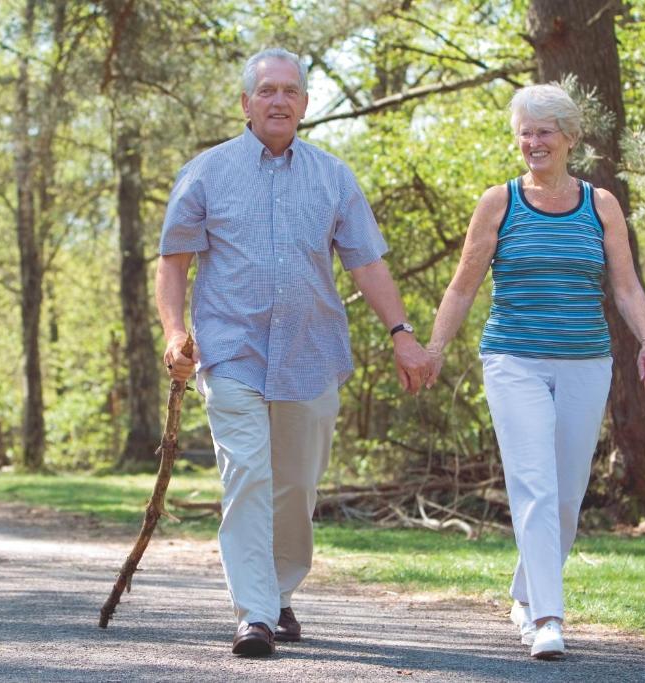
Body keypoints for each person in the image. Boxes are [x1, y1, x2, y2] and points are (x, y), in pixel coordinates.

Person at [155, 47, 435, 657]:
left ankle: (280, 594)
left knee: (297, 488)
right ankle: (253, 612)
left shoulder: (333, 176)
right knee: (248, 474)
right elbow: (173, 260)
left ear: (305, 104)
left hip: (311, 352)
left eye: (289, 91)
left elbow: (366, 261)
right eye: (266, 91)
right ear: (245, 103)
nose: (278, 100)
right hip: (231, 349)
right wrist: (175, 332)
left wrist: (402, 334)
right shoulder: (207, 172)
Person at [424, 83, 645, 660]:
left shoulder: (601, 204)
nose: (533, 142)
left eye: (544, 131)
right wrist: (432, 350)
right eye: (525, 132)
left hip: (586, 359)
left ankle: (526, 591)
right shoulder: (498, 202)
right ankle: (546, 619)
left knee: (566, 493)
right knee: (533, 482)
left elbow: (626, 285)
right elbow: (463, 286)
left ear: (570, 138)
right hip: (513, 359)